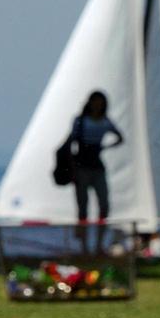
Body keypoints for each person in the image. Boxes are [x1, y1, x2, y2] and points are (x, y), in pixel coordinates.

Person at [68, 90, 124, 253]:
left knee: (104, 206)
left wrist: (104, 147)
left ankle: (99, 245)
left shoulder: (105, 121)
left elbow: (120, 137)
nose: (97, 105)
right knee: (83, 209)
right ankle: (84, 246)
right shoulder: (81, 121)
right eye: (95, 101)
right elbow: (71, 143)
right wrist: (73, 168)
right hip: (82, 167)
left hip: (97, 167)